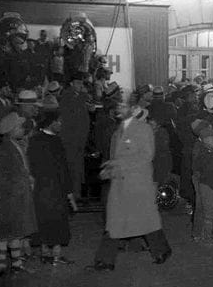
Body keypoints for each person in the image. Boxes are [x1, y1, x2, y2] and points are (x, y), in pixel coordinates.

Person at [88, 104, 171, 271]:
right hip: (121, 186)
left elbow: (146, 156)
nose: (119, 109)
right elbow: (114, 157)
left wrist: (117, 164)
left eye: (123, 106)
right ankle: (107, 260)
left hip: (138, 184)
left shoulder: (143, 129)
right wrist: (109, 171)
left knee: (143, 220)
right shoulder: (117, 132)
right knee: (117, 222)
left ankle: (107, 260)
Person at [28, 109, 77, 266]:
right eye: (59, 121)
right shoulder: (56, 142)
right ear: (51, 123)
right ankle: (56, 255)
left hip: (39, 189)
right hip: (56, 189)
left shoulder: (34, 140)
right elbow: (62, 169)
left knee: (43, 221)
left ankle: (44, 254)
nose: (61, 124)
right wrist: (69, 193)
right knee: (57, 222)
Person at [0, 112, 38, 275]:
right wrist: (21, 184)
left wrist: (28, 178)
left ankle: (15, 263)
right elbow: (1, 177)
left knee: (14, 231)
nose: (22, 130)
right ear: (11, 130)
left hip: (15, 196)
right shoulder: (6, 149)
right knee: (7, 231)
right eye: (19, 127)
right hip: (11, 197)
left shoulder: (13, 145)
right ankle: (3, 264)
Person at [59, 74, 91, 197]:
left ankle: (75, 194)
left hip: (78, 139)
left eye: (81, 83)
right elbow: (72, 113)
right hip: (71, 139)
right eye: (78, 83)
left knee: (76, 167)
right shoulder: (68, 96)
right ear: (71, 83)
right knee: (73, 167)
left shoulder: (76, 96)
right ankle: (73, 195)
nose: (81, 86)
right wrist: (83, 96)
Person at [194, 122, 213, 242]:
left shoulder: (204, 150)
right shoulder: (207, 154)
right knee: (209, 211)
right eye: (212, 138)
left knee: (208, 209)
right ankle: (207, 236)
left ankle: (203, 234)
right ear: (205, 140)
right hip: (208, 185)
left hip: (206, 184)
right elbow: (211, 172)